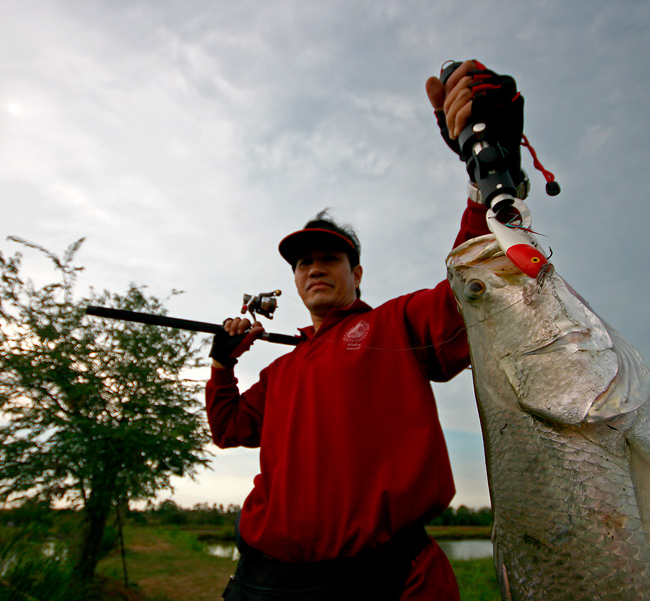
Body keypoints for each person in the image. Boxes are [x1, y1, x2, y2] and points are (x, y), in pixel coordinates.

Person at [205, 59, 526, 600]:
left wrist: (490, 182)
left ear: (355, 274)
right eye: (303, 264)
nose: (314, 269)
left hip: (385, 579)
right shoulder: (282, 371)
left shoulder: (395, 323)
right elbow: (229, 427)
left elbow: (476, 290)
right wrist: (222, 364)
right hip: (263, 580)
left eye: (329, 258)